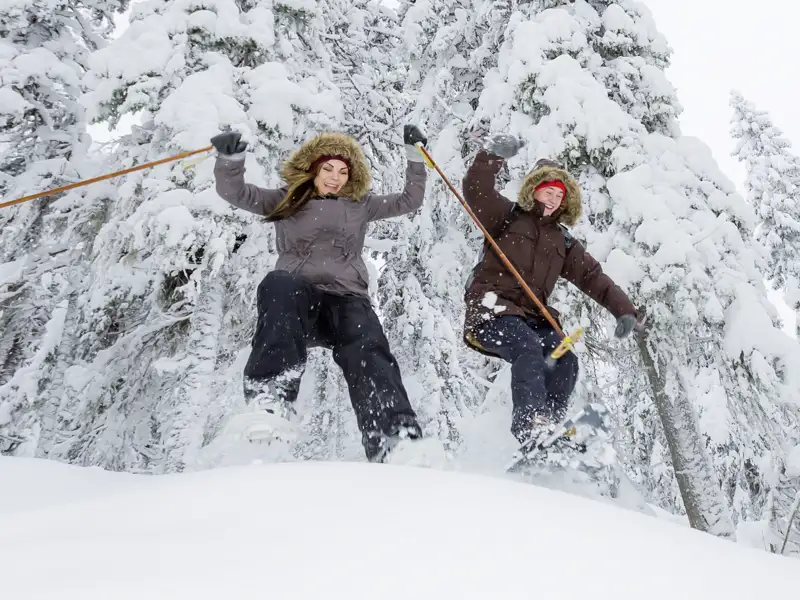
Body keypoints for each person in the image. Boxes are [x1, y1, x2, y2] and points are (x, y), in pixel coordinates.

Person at [210, 124, 429, 462]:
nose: (335, 177)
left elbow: (409, 200)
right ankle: (271, 400)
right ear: (312, 168)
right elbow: (237, 193)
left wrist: (415, 156)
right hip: (299, 300)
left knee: (368, 345)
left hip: (346, 299)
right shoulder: (287, 199)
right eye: (328, 168)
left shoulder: (361, 205)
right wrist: (230, 158)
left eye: (343, 171)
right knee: (279, 283)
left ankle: (392, 435)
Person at [461, 133, 644, 448]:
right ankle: (532, 424)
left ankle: (552, 428)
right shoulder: (505, 216)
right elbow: (477, 190)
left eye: (559, 195)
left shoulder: (563, 242)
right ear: (533, 192)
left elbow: (593, 277)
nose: (552, 199)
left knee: (565, 361)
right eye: (547, 191)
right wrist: (490, 156)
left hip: (532, 317)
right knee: (528, 347)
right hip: (491, 308)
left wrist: (624, 310)